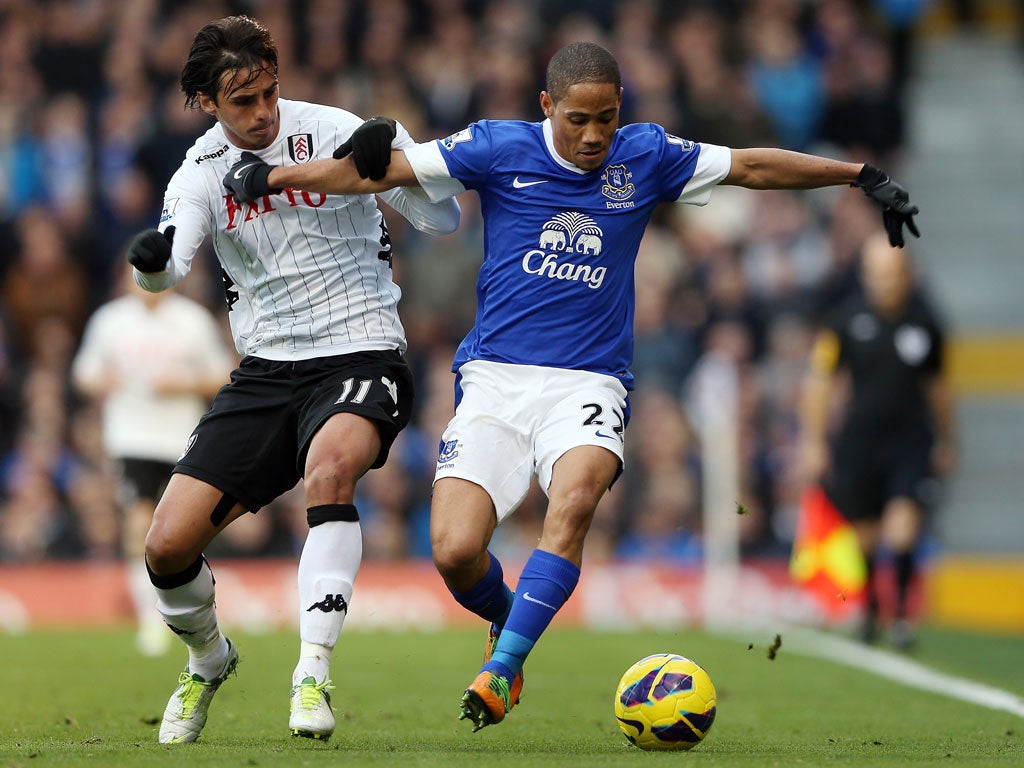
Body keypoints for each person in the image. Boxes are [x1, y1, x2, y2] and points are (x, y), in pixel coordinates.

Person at [224, 40, 920, 731]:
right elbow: (385, 172)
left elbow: (753, 168)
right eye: (577, 120)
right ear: (547, 106)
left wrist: (858, 174)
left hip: (590, 381)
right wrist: (276, 179)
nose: (593, 136)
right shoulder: (498, 147)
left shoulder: (646, 154)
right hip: (495, 381)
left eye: (606, 119)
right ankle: (509, 625)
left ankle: (501, 672)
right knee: (455, 552)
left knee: (576, 497)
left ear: (621, 110)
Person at [126, 15, 460, 744]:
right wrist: (150, 263)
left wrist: (389, 166)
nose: (263, 112)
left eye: (270, 93)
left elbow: (444, 216)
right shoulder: (200, 174)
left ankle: (312, 671)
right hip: (267, 372)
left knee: (330, 470)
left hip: (363, 352)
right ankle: (209, 661)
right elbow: (170, 266)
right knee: (165, 547)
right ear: (209, 102)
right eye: (243, 102)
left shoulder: (335, 128)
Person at [799, 232, 954, 649]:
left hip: (910, 442)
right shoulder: (845, 321)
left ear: (908, 275)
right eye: (879, 274)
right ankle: (869, 609)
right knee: (865, 535)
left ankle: (901, 616)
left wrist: (947, 440)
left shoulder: (926, 325)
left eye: (894, 274)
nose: (887, 283)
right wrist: (814, 441)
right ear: (867, 276)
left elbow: (937, 388)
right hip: (860, 441)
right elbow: (820, 381)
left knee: (902, 532)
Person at [72, 265, 233, 657]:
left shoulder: (191, 321)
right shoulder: (110, 321)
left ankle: (193, 615)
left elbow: (223, 375)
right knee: (140, 520)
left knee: (185, 529)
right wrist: (103, 381)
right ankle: (151, 618)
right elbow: (83, 374)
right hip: (132, 437)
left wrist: (184, 384)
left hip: (183, 437)